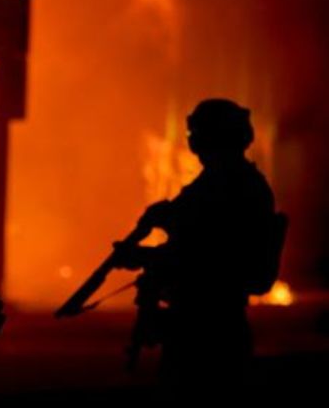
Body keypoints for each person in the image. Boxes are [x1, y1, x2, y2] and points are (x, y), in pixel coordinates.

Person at [112, 98, 282, 392]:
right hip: (211, 320)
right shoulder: (224, 182)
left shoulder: (229, 186)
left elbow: (204, 255)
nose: (192, 140)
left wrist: (145, 256)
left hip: (208, 325)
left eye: (197, 132)